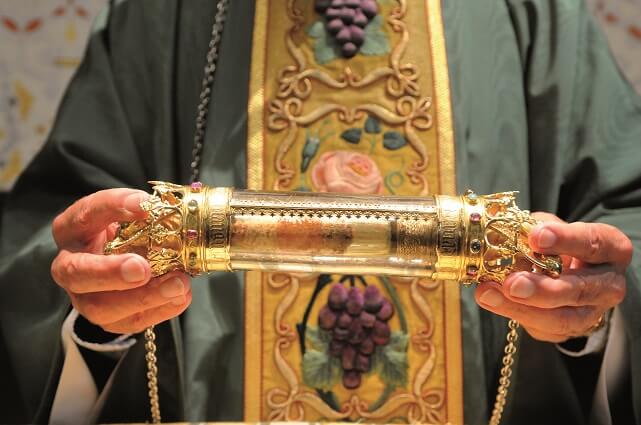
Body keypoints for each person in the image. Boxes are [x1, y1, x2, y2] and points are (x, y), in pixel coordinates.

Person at [1, 0, 640, 424]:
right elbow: (55, 241)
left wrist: (589, 319)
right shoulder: (167, 16)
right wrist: (99, 315)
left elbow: (619, 229)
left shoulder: (526, 12)